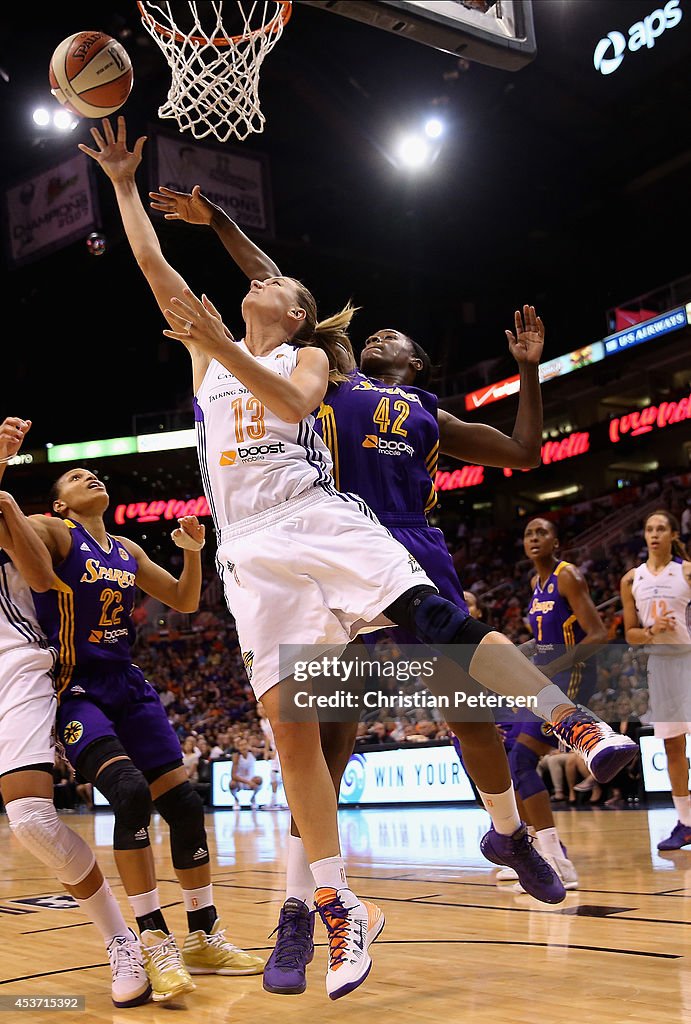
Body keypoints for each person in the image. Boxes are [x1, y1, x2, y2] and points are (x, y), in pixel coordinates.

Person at [82, 116, 637, 1000]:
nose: (258, 289)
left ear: (296, 313)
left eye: (277, 287)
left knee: (443, 628)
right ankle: (333, 904)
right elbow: (155, 266)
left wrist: (224, 342)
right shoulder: (207, 357)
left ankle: (571, 719)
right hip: (249, 557)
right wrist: (118, 185)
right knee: (294, 734)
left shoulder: (302, 359)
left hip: (317, 520)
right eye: (254, 290)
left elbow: (287, 391)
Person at [26, 465, 264, 1002]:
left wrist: (194, 550)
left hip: (129, 684)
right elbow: (9, 519)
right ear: (59, 504)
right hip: (76, 687)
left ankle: (203, 936)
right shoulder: (56, 532)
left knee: (182, 804)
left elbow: (183, 601)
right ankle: (153, 938)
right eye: (74, 477)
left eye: (93, 475)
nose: (89, 478)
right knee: (130, 793)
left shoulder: (127, 551)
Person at [0, 417, 150, 1008]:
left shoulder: (11, 507)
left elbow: (41, 576)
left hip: (15, 664)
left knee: (33, 819)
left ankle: (123, 940)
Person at [503, 517, 609, 892]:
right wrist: (523, 653)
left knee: (522, 758)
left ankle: (555, 861)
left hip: (574, 675)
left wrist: (553, 664)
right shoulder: (535, 585)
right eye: (529, 533)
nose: (534, 538)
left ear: (556, 542)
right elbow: (545, 640)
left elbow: (599, 633)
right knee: (512, 756)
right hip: (549, 677)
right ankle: (544, 853)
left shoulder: (568, 576)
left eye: (542, 533)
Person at [620, 510, 691, 850]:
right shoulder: (632, 579)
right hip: (659, 666)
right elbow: (631, 634)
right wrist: (652, 630)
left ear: (673, 534)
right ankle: (686, 822)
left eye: (661, 528)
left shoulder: (687, 571)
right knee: (672, 745)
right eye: (649, 528)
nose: (654, 534)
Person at [257, 699, 285, 809]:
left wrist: (275, 751)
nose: (259, 710)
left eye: (261, 708)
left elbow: (279, 735)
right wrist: (266, 750)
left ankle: (286, 801)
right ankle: (274, 801)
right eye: (257, 708)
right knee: (274, 775)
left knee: (283, 775)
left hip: (281, 748)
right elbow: (267, 737)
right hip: (274, 748)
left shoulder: (271, 719)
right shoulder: (262, 721)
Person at [230, 736, 262, 808]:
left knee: (259, 779)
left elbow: (264, 751)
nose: (243, 747)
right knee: (232, 784)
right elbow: (233, 775)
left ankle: (253, 799)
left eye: (245, 744)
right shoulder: (236, 757)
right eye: (241, 745)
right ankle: (236, 800)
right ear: (238, 747)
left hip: (251, 779)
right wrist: (247, 782)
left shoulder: (253, 753)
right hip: (240, 781)